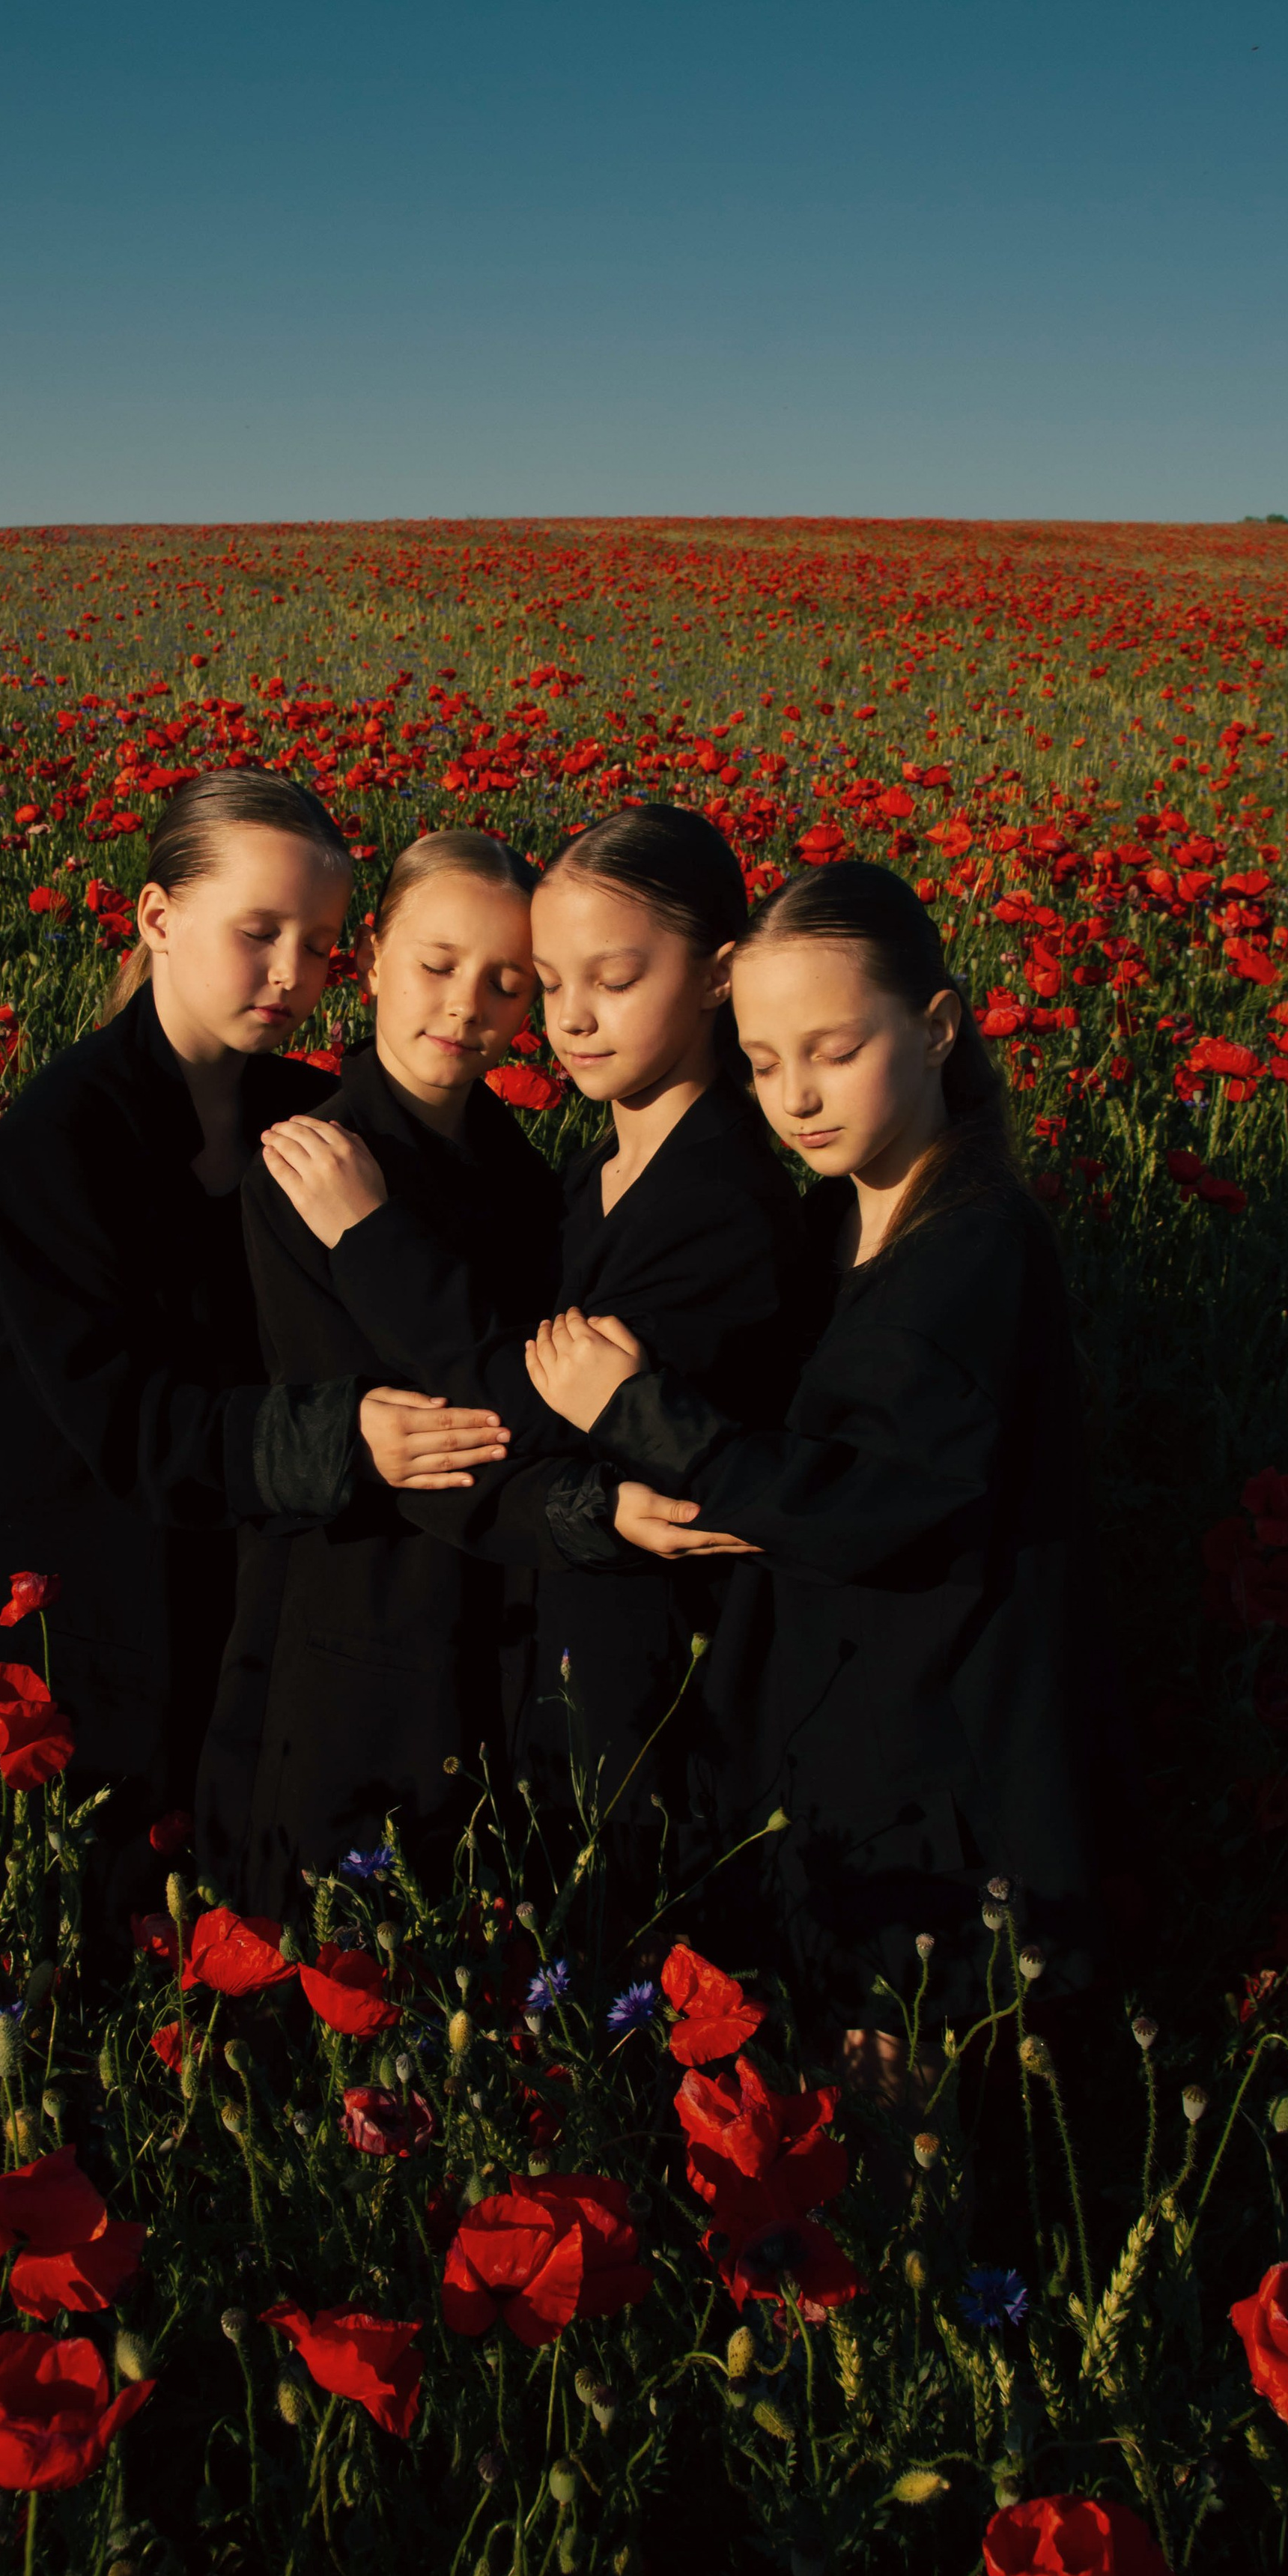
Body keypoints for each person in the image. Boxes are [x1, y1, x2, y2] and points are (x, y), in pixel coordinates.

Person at [523, 857, 1109, 2025]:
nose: (796, 1096)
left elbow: (870, 1506)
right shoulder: (834, 1217)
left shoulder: (976, 1250)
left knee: (908, 2134)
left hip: (943, 1782)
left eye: (834, 1052)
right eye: (762, 1062)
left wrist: (640, 1416)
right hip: (840, 1762)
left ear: (939, 1027)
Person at [0, 772, 504, 1933]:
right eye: (260, 933)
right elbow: (125, 1423)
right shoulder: (58, 1142)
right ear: (155, 917)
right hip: (69, 1628)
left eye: (326, 946)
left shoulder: (310, 1116)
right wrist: (348, 1438)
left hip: (246, 1622)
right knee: (67, 1960)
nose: (294, 973)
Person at [263, 805, 806, 1911]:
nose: (572, 1021)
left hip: (651, 1697)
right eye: (554, 985)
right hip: (465, 1665)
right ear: (373, 963)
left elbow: (510, 1417)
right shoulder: (581, 1179)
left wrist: (372, 1241)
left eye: (603, 980)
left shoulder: (720, 1206)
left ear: (718, 978)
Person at [198, 832, 561, 1907]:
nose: (467, 1007)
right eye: (437, 964)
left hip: (502, 1599)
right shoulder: (307, 1162)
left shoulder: (529, 1178)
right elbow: (451, 1405)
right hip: (352, 1596)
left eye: (507, 982)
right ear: (369, 956)